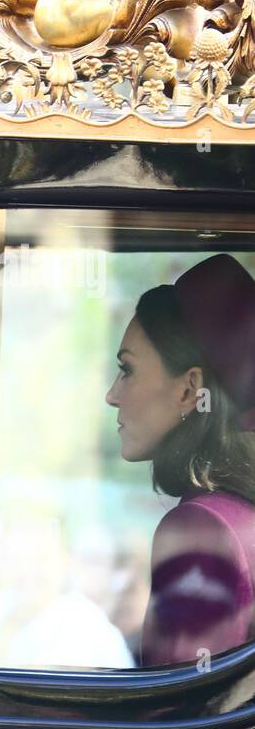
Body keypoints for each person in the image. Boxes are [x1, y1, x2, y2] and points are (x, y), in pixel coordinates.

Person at [105, 254, 255, 667]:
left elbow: (179, 719)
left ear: (190, 389)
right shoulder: (238, 511)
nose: (112, 395)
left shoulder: (202, 526)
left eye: (127, 370)